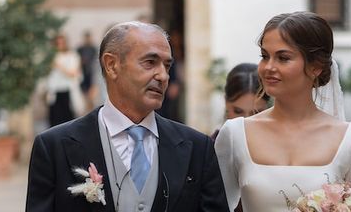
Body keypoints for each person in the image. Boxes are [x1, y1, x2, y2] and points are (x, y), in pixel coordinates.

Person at [26, 21, 230, 212]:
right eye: (150, 62)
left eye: (167, 66)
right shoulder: (54, 147)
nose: (163, 76)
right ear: (112, 65)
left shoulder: (197, 148)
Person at [215, 12, 351, 212]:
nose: (268, 67)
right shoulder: (234, 134)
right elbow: (213, 206)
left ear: (316, 67)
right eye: (265, 56)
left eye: (283, 58)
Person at [211, 63, 271, 141]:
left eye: (256, 113)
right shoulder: (207, 149)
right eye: (238, 111)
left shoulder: (283, 148)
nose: (245, 121)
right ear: (226, 102)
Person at [46, 34, 84, 127]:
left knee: (68, 121)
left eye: (62, 43)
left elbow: (74, 73)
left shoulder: (72, 56)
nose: (60, 45)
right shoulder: (52, 56)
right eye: (57, 43)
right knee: (54, 121)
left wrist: (59, 66)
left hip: (67, 91)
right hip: (55, 92)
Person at [76, 30, 99, 110]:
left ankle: (91, 109)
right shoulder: (80, 49)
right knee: (84, 94)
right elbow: (77, 60)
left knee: (91, 95)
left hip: (91, 74)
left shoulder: (94, 48)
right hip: (83, 74)